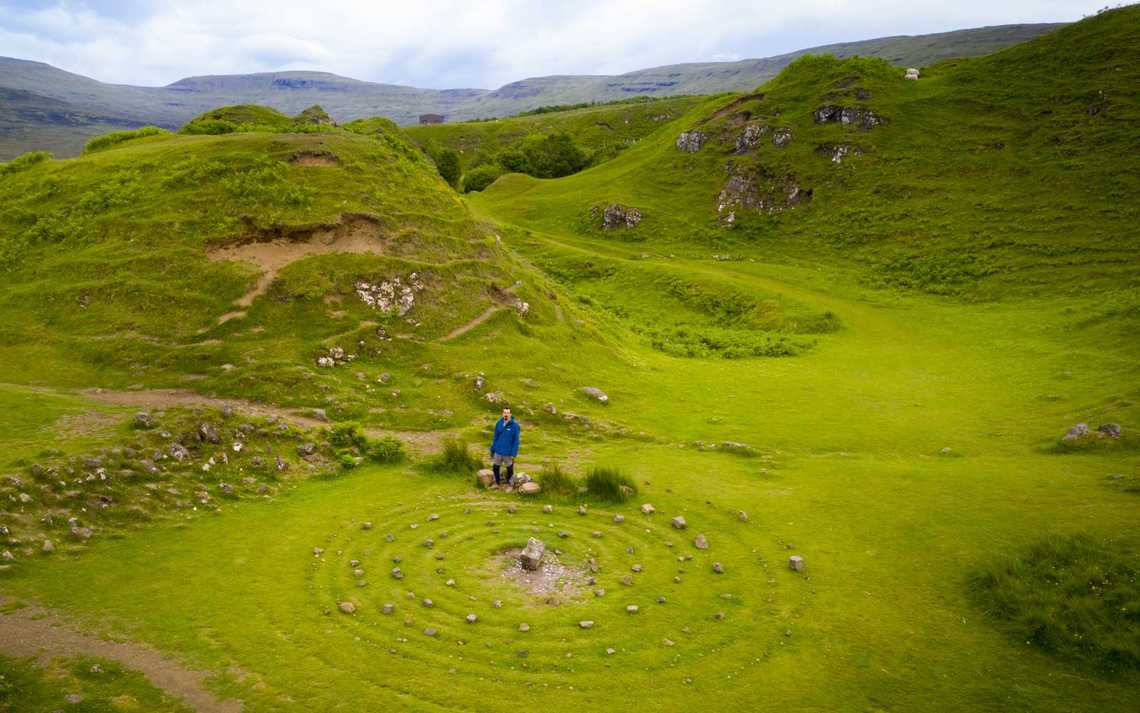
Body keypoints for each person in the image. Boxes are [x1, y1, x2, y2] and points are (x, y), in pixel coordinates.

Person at [489, 407, 521, 486]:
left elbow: (516, 441)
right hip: (498, 450)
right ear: (502, 414)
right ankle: (497, 482)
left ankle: (510, 483)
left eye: (507, 413)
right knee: (495, 467)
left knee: (510, 468)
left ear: (510, 414)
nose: (506, 414)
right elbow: (495, 437)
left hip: (508, 452)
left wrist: (513, 453)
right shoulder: (499, 423)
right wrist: (492, 449)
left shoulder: (515, 426)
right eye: (504, 412)